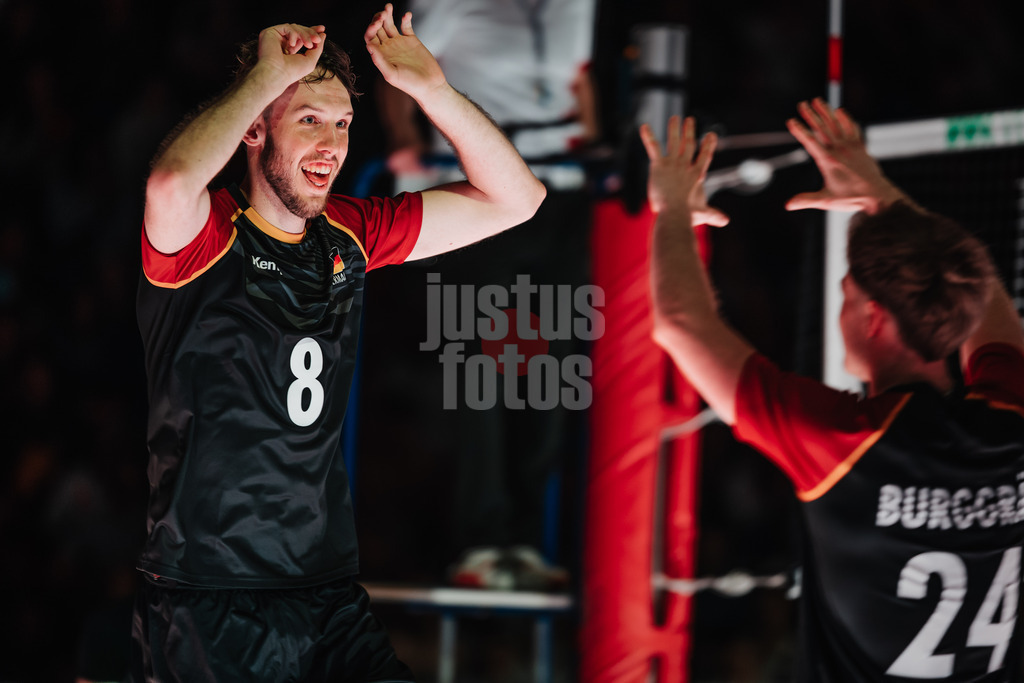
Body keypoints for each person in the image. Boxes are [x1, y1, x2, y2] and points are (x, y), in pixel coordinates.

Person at [132, 5, 545, 681]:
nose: (331, 143)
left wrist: (432, 89)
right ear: (255, 127)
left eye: (344, 124)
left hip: (323, 589)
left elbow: (517, 198)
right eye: (309, 120)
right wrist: (264, 78)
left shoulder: (349, 234)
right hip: (211, 595)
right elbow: (171, 181)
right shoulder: (204, 237)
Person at [643, 99, 1024, 681]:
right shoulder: (1008, 418)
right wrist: (883, 199)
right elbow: (978, 288)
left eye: (846, 294)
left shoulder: (848, 442)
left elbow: (679, 323)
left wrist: (672, 204)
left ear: (872, 316)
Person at [376, 0, 598, 591]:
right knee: (483, 372)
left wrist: (594, 147)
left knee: (552, 374)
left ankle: (523, 541)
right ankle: (479, 542)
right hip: (483, 195)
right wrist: (404, 140)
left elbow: (578, 79)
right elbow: (398, 72)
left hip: (562, 193)